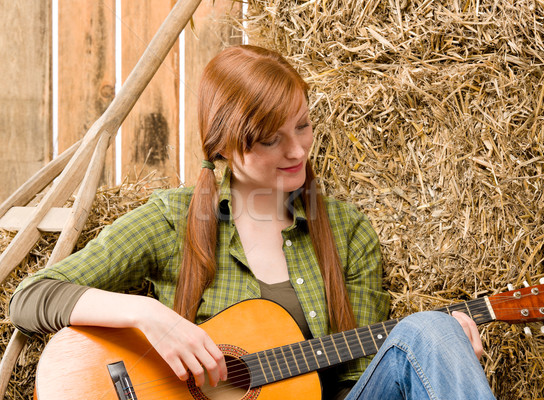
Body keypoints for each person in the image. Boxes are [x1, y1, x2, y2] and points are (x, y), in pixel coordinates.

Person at [9, 45, 495, 399]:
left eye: (303, 125)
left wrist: (439, 346)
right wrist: (151, 317)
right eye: (270, 139)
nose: (298, 149)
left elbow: (361, 379)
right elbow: (31, 297)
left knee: (432, 329)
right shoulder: (173, 220)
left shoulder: (347, 233)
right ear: (223, 145)